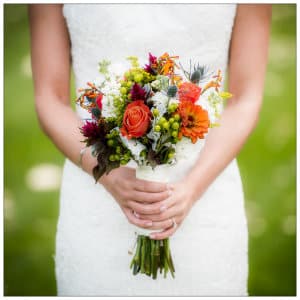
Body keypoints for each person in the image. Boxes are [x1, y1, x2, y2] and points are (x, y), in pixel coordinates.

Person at [29, 3, 271, 296]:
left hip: (206, 194)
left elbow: (245, 98)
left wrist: (192, 189)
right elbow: (49, 98)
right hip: (95, 190)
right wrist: (107, 174)